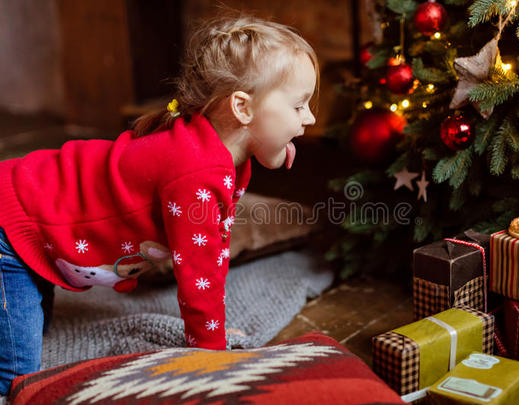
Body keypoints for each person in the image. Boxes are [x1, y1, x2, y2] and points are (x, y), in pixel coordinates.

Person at [0, 14, 318, 395]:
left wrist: (210, 332)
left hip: (42, 225)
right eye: (299, 106)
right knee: (19, 376)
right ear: (243, 108)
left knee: (31, 322)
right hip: (14, 222)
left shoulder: (223, 159)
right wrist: (210, 352)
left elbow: (214, 249)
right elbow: (197, 271)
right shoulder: (195, 172)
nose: (310, 118)